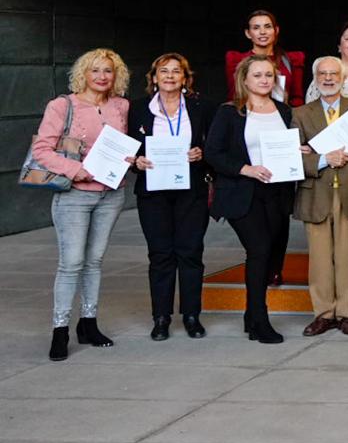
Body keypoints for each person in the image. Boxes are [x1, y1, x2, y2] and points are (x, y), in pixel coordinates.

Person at [34, 49, 133, 360]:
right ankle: (60, 330)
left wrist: (129, 160)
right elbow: (41, 150)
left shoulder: (121, 106)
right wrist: (76, 170)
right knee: (71, 262)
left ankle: (88, 323)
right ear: (83, 74)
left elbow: (122, 144)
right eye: (95, 71)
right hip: (74, 195)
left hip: (111, 193)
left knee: (95, 261)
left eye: (108, 71)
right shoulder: (63, 105)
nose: (102, 77)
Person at [207, 54, 296, 345]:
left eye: (269, 75)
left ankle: (250, 313)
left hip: (278, 192)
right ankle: (260, 319)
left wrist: (299, 152)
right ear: (244, 79)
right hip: (243, 193)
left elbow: (286, 147)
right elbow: (213, 153)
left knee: (272, 256)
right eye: (257, 75)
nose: (263, 80)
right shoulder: (230, 112)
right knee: (258, 250)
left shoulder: (283, 111)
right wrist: (246, 169)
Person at [130, 53, 217, 341]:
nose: (169, 76)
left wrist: (202, 154)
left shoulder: (202, 107)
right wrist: (136, 162)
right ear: (153, 78)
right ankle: (161, 317)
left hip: (190, 189)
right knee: (160, 254)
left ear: (185, 78)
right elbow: (128, 148)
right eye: (163, 71)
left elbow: (215, 146)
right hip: (153, 191)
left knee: (191, 252)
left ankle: (192, 315)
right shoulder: (138, 109)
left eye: (175, 71)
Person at [292, 56, 348, 336]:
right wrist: (322, 159)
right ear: (315, 79)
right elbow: (294, 159)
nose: (328, 79)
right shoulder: (301, 114)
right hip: (315, 195)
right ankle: (323, 314)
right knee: (319, 260)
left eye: (334, 74)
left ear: (343, 79)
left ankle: (347, 314)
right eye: (323, 74)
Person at [226, 9, 304, 106]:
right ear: (248, 33)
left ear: (276, 30)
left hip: (282, 116)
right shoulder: (237, 60)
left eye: (268, 27)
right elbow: (234, 96)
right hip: (248, 115)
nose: (262, 32)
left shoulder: (290, 60)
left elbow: (297, 98)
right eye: (256, 28)